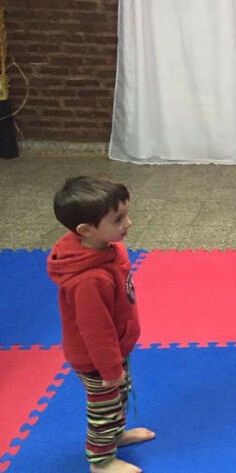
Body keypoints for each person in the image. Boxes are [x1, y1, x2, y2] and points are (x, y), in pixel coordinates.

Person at [47, 176, 154, 473]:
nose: (128, 223)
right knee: (103, 409)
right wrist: (109, 369)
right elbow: (96, 331)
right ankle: (101, 461)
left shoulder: (106, 246)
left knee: (119, 395)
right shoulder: (89, 280)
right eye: (118, 219)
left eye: (126, 214)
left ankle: (116, 436)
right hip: (97, 359)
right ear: (86, 230)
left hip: (115, 348)